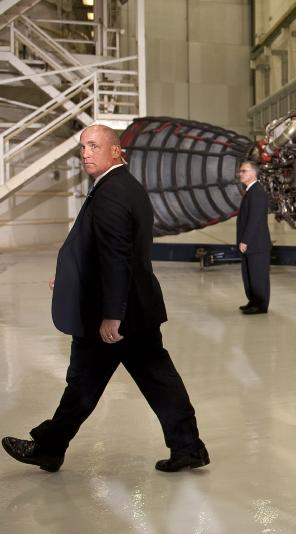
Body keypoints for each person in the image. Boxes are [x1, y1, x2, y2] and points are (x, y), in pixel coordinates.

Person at [2, 124, 209, 472]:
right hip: (135, 307)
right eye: (82, 147)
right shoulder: (124, 186)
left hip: (114, 314)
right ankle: (188, 448)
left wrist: (112, 314)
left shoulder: (112, 191)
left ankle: (49, 448)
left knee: (85, 383)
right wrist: (72, 276)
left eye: (94, 146)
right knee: (154, 380)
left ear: (115, 151)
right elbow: (102, 251)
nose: (85, 152)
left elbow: (117, 256)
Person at [236, 160, 271, 315]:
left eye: (244, 171)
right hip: (251, 243)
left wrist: (245, 240)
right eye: (241, 171)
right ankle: (253, 302)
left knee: (258, 276)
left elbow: (254, 219)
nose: (240, 174)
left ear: (253, 173)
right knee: (249, 275)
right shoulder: (251, 191)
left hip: (256, 243)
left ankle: (261, 305)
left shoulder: (257, 192)